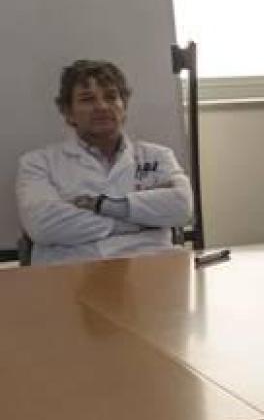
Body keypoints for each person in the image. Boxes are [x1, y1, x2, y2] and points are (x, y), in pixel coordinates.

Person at [17, 59, 193, 266]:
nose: (101, 106)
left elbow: (181, 207)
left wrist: (100, 207)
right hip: (69, 276)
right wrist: (142, 218)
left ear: (124, 106)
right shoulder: (37, 163)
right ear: (68, 112)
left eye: (111, 97)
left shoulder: (158, 156)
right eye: (87, 99)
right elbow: (43, 226)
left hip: (151, 269)